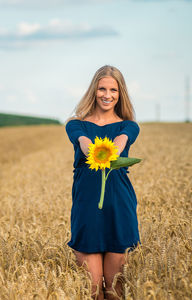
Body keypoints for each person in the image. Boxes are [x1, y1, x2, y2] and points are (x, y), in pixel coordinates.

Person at [65, 65, 140, 300]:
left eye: (113, 90)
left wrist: (113, 149)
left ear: (120, 94)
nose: (107, 95)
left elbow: (120, 141)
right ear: (93, 91)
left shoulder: (128, 126)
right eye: (102, 89)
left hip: (119, 209)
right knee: (92, 291)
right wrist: (97, 150)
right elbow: (85, 143)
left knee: (115, 291)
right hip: (87, 209)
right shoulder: (75, 125)